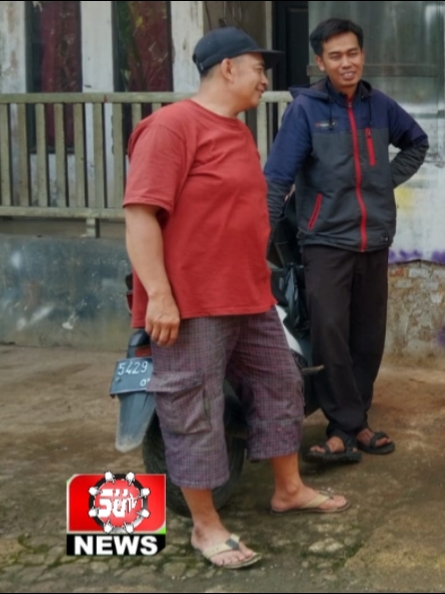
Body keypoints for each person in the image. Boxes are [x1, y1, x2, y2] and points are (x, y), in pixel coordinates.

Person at [123, 27, 350, 570]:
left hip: (249, 295)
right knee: (194, 409)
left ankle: (288, 488)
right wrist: (158, 295)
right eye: (256, 68)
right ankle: (205, 526)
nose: (264, 79)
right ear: (227, 69)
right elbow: (139, 216)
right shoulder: (172, 128)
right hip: (191, 303)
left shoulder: (237, 133)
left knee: (281, 383)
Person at [264, 18, 429, 464]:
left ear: (363, 55)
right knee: (330, 334)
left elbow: (417, 142)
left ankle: (353, 423)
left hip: (373, 240)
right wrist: (259, 233)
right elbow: (277, 178)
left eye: (352, 53)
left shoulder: (380, 107)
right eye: (335, 56)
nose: (346, 62)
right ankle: (343, 427)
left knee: (367, 337)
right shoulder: (306, 111)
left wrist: (381, 182)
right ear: (321, 61)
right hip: (325, 241)